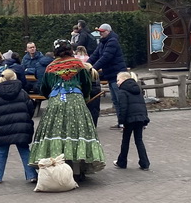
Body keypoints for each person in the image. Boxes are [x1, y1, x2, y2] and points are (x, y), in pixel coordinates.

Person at [30, 40, 105, 180]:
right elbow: (87, 83)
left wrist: (52, 97)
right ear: (70, 50)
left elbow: (44, 88)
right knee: (76, 132)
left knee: (57, 132)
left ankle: (58, 167)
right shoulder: (78, 65)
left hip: (56, 101)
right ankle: (76, 171)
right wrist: (85, 97)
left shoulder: (50, 67)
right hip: (76, 100)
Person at [0, 69, 38, 184]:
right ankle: (32, 175)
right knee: (24, 150)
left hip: (3, 127)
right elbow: (30, 108)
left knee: (1, 151)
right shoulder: (22, 92)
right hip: (21, 126)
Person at [89, 24, 127, 130]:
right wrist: (86, 66)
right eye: (99, 32)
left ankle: (124, 122)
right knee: (115, 100)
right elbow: (95, 56)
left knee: (120, 99)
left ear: (108, 32)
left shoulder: (112, 42)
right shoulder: (103, 42)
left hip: (117, 75)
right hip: (111, 75)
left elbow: (106, 57)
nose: (100, 33)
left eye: (102, 31)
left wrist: (93, 69)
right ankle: (121, 122)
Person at [113, 71, 150, 171]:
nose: (117, 83)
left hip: (129, 119)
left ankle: (122, 162)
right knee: (139, 140)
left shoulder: (122, 91)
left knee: (125, 140)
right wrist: (145, 120)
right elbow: (143, 105)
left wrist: (121, 122)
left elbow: (123, 108)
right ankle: (145, 163)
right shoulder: (138, 89)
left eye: (118, 80)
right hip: (140, 118)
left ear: (124, 79)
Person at [73, 45, 102, 126]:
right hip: (96, 91)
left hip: (87, 93)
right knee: (94, 110)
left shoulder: (76, 61)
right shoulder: (94, 73)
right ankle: (93, 126)